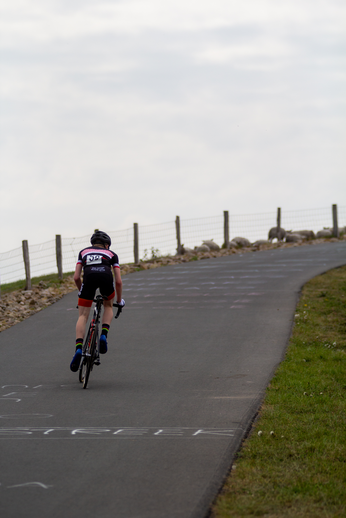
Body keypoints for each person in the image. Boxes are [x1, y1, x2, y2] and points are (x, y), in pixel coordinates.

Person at [70, 230, 125, 372]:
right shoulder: (112, 254)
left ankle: (78, 349)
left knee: (82, 316)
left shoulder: (83, 252)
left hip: (88, 280)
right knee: (108, 305)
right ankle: (103, 335)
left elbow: (76, 277)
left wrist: (81, 291)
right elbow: (118, 281)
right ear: (107, 245)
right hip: (106, 278)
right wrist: (119, 301)